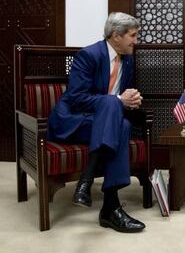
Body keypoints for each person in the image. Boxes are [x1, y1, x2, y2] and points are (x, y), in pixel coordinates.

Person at [47, 12, 145, 233]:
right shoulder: (88, 55)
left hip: (102, 124)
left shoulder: (127, 60)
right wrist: (119, 100)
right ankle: (109, 205)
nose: (136, 41)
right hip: (73, 121)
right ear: (115, 35)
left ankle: (90, 186)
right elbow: (76, 98)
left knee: (122, 121)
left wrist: (132, 99)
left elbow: (120, 97)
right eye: (133, 35)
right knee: (115, 111)